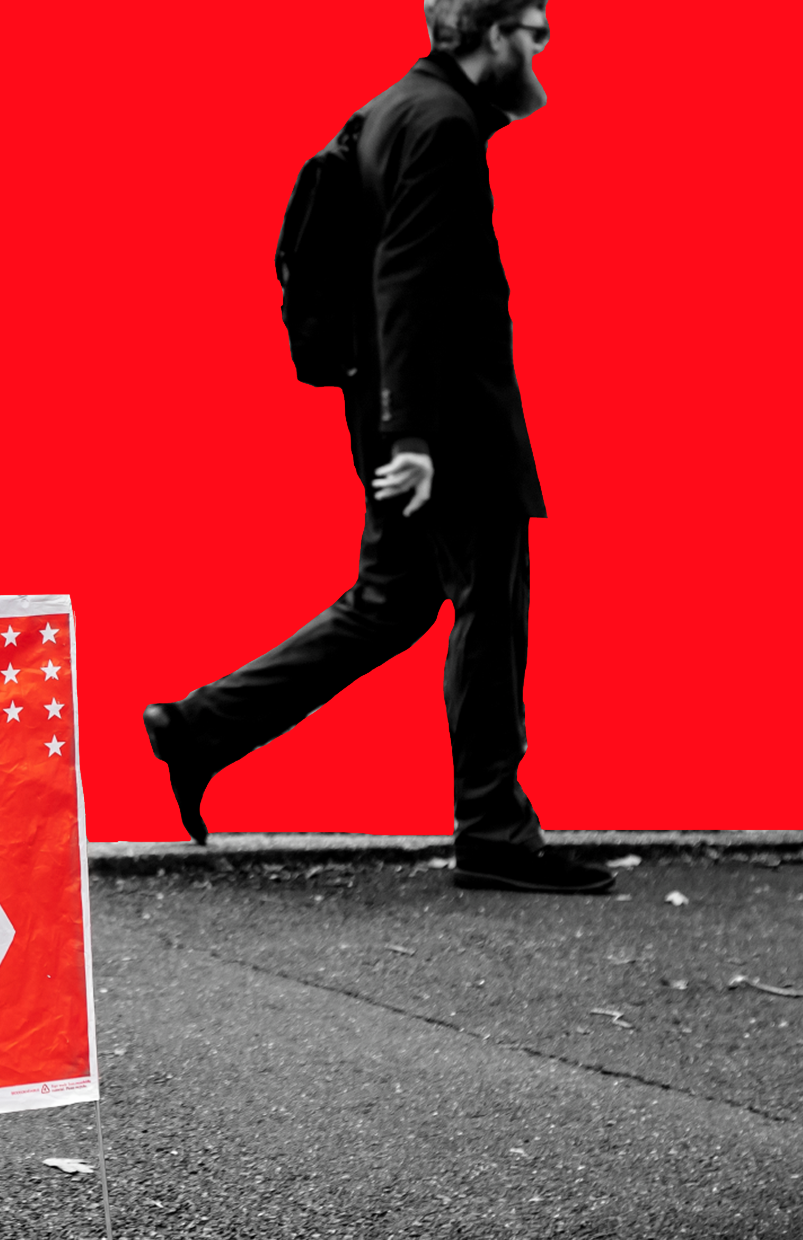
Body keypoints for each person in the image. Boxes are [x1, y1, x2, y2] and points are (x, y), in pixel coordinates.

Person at [142, 0, 612, 894]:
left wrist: (397, 424)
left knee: (390, 604)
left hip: (401, 410)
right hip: (446, 423)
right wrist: (417, 438)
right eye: (534, 32)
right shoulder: (438, 125)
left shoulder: (397, 107)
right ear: (490, 34)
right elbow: (407, 284)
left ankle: (200, 728)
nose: (542, 51)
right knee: (490, 600)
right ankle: (494, 830)